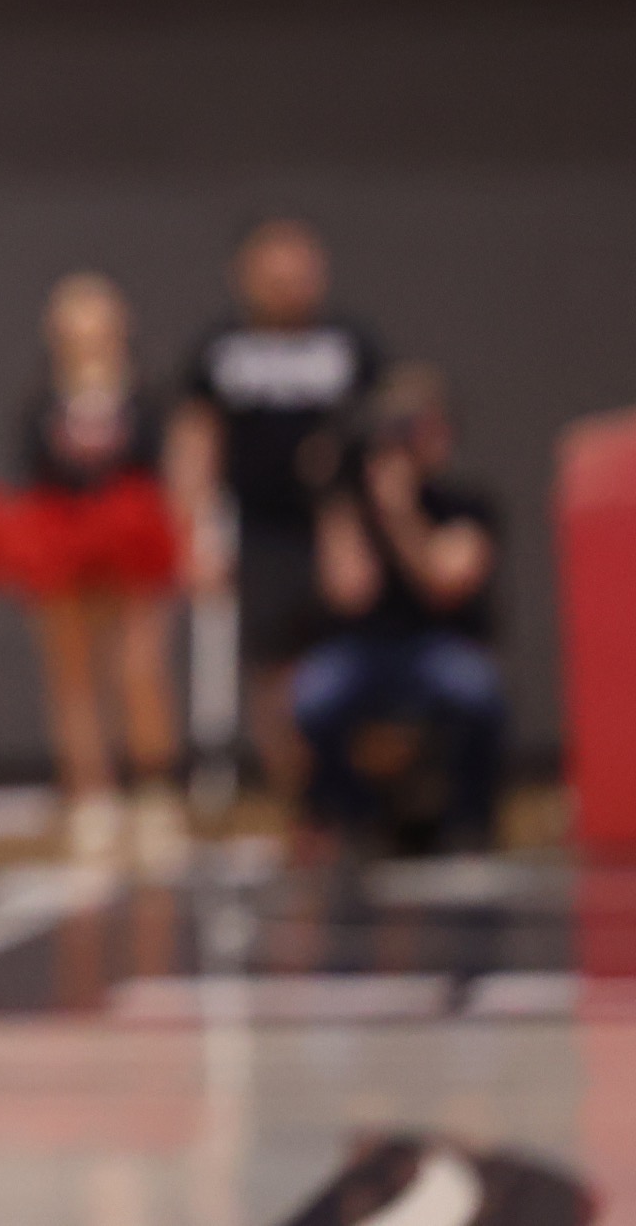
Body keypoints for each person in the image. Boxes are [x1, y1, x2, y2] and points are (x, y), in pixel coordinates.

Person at [169, 218, 382, 823]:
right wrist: (196, 533)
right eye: (274, 273)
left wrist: (359, 531)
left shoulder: (350, 344)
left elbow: (383, 438)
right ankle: (301, 805)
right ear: (247, 277)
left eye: (299, 270)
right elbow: (195, 441)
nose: (288, 284)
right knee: (271, 670)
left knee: (349, 663)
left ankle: (355, 798)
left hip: (342, 528)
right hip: (262, 530)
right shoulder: (222, 349)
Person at [0, 273, 190, 873]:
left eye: (98, 331)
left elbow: (157, 469)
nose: (88, 342)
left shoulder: (146, 395)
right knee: (74, 673)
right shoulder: (41, 400)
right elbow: (35, 472)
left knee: (139, 667)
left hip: (131, 542)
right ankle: (91, 797)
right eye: (76, 332)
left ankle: (155, 795)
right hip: (65, 542)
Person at [291, 363, 503, 851]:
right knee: (313, 696)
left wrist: (401, 514)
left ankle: (470, 822)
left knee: (476, 691)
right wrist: (334, 499)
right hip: (366, 649)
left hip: (439, 645)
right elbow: (349, 591)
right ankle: (353, 820)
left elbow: (445, 583)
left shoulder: (465, 504)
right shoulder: (350, 507)